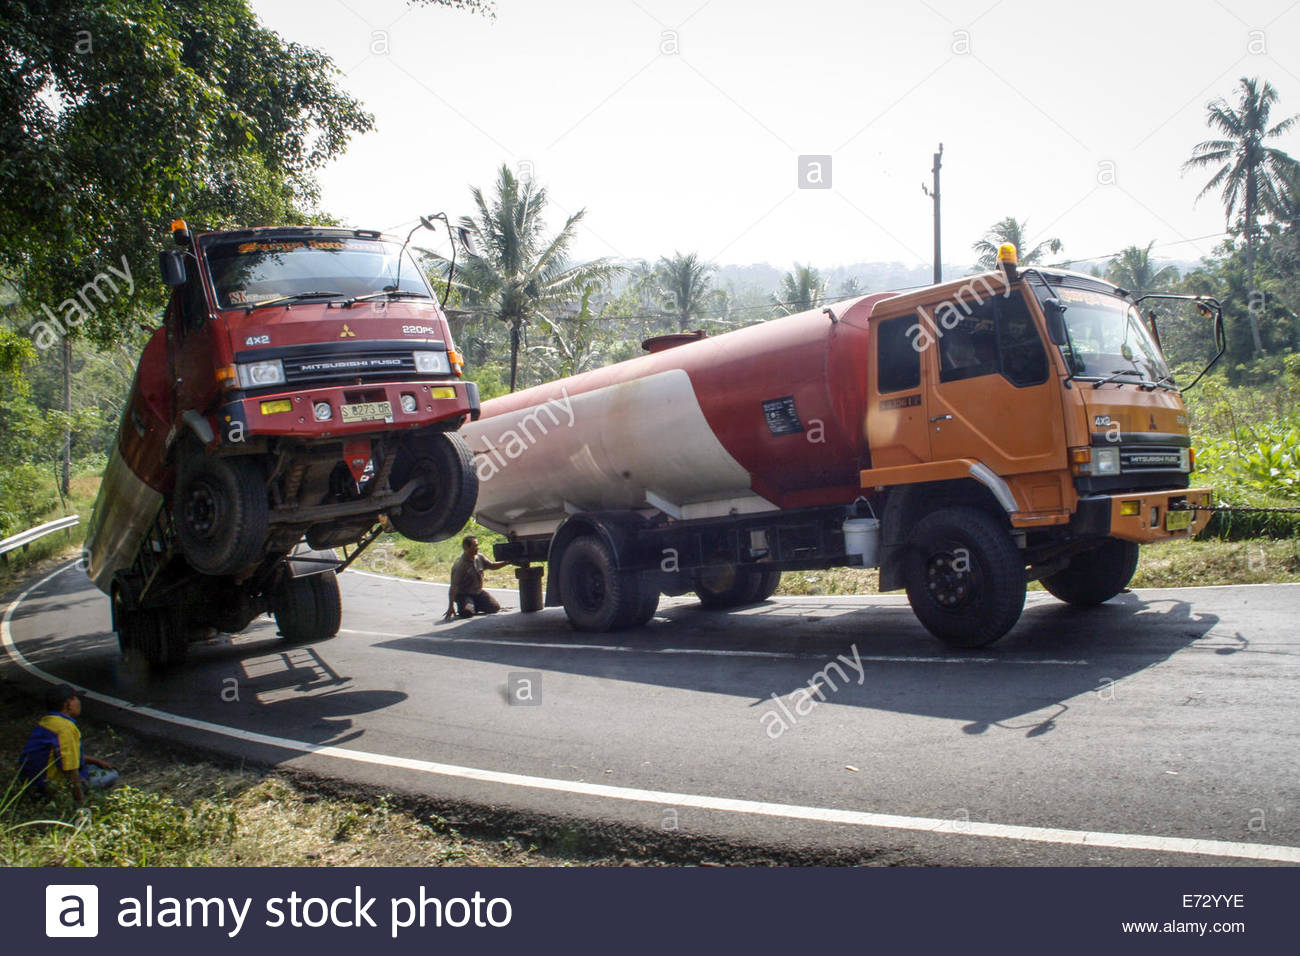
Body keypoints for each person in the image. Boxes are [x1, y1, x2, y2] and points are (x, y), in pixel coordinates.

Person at [17, 683, 118, 802]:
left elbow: (61, 755)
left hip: (29, 783)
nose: (78, 702)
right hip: (49, 787)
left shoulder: (46, 723)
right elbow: (70, 769)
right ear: (68, 704)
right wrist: (80, 803)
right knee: (112, 775)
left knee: (92, 766)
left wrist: (96, 760)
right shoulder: (66, 729)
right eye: (75, 699)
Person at [443, 536, 507, 621]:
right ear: (466, 547)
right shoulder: (460, 564)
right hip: (464, 594)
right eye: (475, 546)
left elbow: (492, 566)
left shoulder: (480, 557)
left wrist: (506, 562)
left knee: (495, 608)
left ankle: (473, 605)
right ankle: (466, 605)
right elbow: (454, 586)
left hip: (478, 592)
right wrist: (450, 606)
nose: (478, 548)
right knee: (467, 613)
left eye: (477, 545)